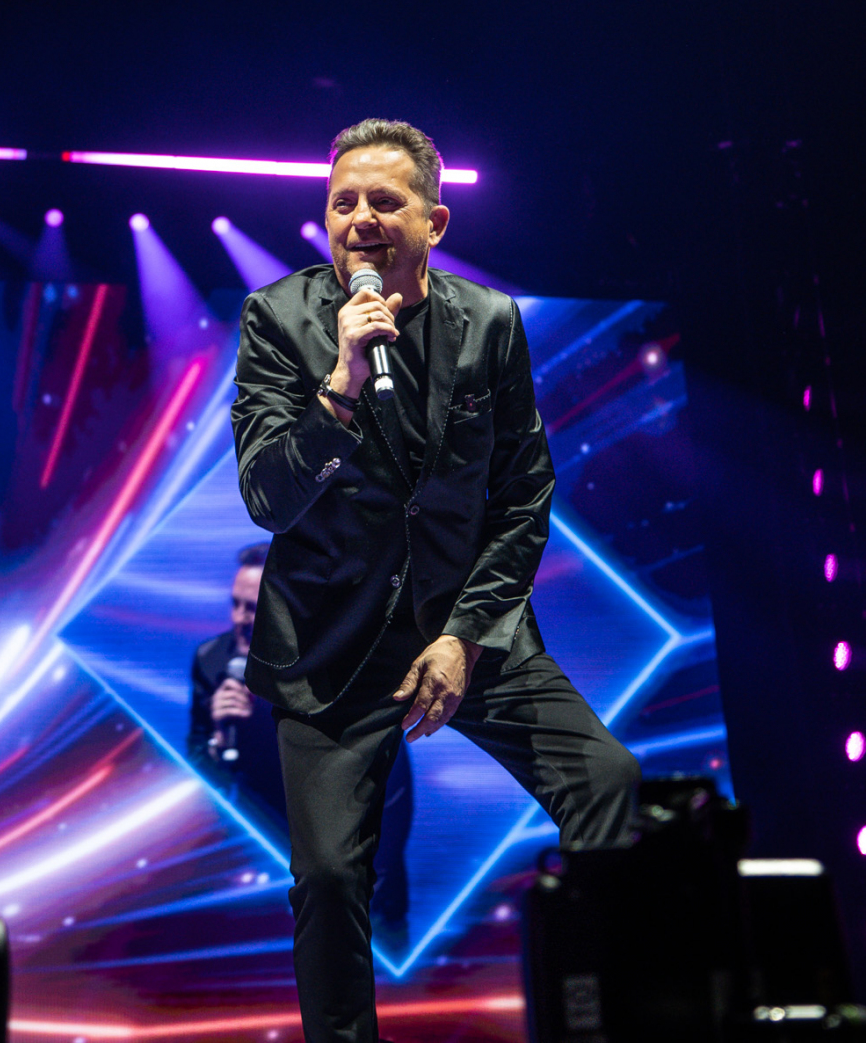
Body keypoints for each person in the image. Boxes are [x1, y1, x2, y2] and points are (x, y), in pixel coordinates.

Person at [231, 118, 639, 1043]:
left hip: (470, 625)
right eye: (343, 203)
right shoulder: (278, 319)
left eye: (386, 201)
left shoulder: (489, 322)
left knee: (607, 780)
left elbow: (523, 493)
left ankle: (600, 1012)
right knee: (329, 878)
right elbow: (267, 498)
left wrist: (464, 637)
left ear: (435, 222)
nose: (362, 219)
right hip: (332, 640)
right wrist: (339, 385)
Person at [187, 543, 413, 954]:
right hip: (264, 865)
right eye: (235, 605)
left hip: (351, 859)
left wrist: (368, 898)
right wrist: (219, 741)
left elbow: (387, 791)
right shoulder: (213, 661)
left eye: (253, 608)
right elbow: (199, 771)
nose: (239, 620)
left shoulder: (334, 668)